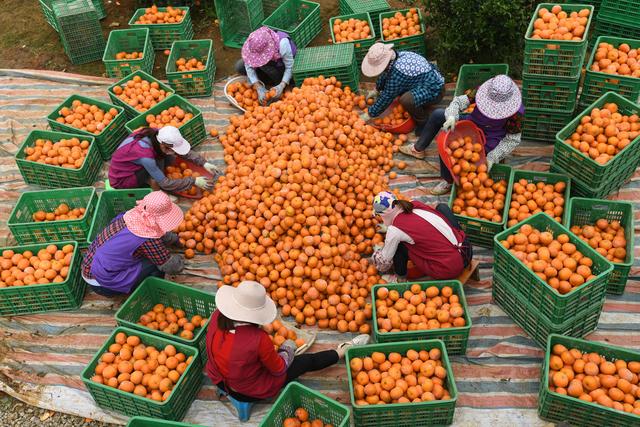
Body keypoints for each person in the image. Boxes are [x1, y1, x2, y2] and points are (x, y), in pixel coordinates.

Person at [205, 280, 370, 402]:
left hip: (218, 378)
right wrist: (287, 349)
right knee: (306, 361)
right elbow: (278, 369)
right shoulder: (258, 340)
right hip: (246, 391)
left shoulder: (216, 317)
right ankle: (343, 350)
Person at [408, 75, 524, 195]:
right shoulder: (481, 91)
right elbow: (459, 101)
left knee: (455, 150)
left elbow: (512, 139)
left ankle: (449, 179)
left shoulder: (516, 113)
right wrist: (452, 116)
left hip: (490, 136)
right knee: (438, 116)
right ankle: (419, 149)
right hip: (471, 123)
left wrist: (493, 157)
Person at [81, 191, 185, 296]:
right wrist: (180, 260)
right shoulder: (148, 238)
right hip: (102, 284)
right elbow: (170, 266)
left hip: (89, 266)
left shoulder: (130, 216)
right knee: (155, 264)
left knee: (147, 254)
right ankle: (152, 291)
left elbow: (158, 230)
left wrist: (173, 239)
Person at [371, 191, 472, 280]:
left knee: (399, 246)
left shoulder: (394, 231)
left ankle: (400, 278)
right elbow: (422, 226)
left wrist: (378, 251)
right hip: (467, 250)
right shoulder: (413, 204)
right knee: (442, 208)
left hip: (449, 268)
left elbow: (383, 264)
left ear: (383, 215)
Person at [361, 43, 445, 134]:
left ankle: (424, 122)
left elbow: (387, 96)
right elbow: (386, 75)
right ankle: (419, 105)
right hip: (422, 82)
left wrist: (369, 114)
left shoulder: (398, 72)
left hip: (435, 90)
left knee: (406, 100)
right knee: (399, 92)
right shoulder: (395, 58)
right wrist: (377, 89)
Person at [108, 126, 218, 193]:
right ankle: (156, 190)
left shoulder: (158, 133)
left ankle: (154, 176)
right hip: (122, 179)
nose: (175, 151)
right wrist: (193, 181)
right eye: (172, 149)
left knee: (168, 158)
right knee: (159, 175)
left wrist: (203, 163)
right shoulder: (146, 157)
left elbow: (180, 151)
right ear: (163, 145)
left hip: (133, 162)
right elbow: (165, 183)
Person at [235, 26, 297, 105]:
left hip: (281, 66)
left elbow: (289, 67)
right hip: (268, 66)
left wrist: (282, 85)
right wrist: (258, 86)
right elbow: (248, 65)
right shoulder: (253, 41)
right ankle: (266, 81)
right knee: (240, 66)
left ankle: (278, 83)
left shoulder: (282, 44)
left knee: (268, 69)